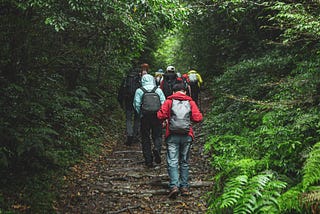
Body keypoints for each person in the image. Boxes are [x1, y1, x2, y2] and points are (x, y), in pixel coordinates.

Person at [157, 83, 203, 199]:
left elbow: (160, 115)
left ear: (173, 92)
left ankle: (174, 186)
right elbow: (198, 118)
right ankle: (185, 187)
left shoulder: (169, 101)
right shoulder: (190, 102)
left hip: (172, 135)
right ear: (185, 91)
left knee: (172, 160)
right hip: (187, 135)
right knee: (184, 161)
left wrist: (168, 119)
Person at [133, 74, 166, 167]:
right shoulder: (158, 90)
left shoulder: (139, 90)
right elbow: (163, 103)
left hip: (145, 116)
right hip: (157, 116)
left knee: (145, 137)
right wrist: (162, 115)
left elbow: (136, 104)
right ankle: (157, 149)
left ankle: (148, 160)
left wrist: (141, 114)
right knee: (158, 135)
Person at [118, 68, 141, 145]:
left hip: (128, 100)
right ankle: (135, 136)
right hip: (138, 101)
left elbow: (121, 91)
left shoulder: (126, 79)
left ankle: (129, 134)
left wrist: (121, 102)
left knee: (128, 119)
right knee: (137, 118)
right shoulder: (139, 79)